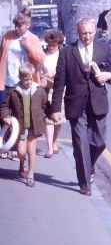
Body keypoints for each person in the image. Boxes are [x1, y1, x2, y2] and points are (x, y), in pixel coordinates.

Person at [49, 17, 111, 196]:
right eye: (83, 33)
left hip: (98, 103)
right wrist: (55, 109)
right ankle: (85, 183)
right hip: (76, 105)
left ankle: (90, 164)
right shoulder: (67, 52)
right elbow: (59, 83)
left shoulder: (103, 49)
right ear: (77, 32)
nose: (87, 37)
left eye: (90, 33)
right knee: (81, 144)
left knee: (99, 142)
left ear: (95, 31)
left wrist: (108, 76)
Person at [0, 11, 46, 160]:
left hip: (24, 84)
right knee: (3, 115)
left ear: (27, 25)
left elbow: (40, 59)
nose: (17, 28)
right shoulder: (7, 36)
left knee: (20, 116)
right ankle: (4, 145)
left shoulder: (33, 38)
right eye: (16, 25)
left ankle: (15, 148)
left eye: (20, 25)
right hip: (7, 82)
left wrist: (27, 45)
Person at [1, 64, 48, 187]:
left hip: (34, 126)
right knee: (21, 151)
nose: (29, 82)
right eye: (26, 79)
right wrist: (5, 116)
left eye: (31, 79)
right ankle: (22, 165)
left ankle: (31, 175)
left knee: (31, 150)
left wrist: (43, 117)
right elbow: (4, 106)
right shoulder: (13, 91)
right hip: (20, 127)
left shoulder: (39, 91)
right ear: (20, 77)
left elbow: (45, 105)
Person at [41, 29, 66, 158]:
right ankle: (50, 147)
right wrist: (44, 75)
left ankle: (55, 142)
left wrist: (55, 76)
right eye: (49, 44)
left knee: (57, 119)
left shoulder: (62, 56)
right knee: (48, 120)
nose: (50, 47)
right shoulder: (43, 56)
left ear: (59, 44)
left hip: (59, 90)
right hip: (45, 89)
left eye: (53, 45)